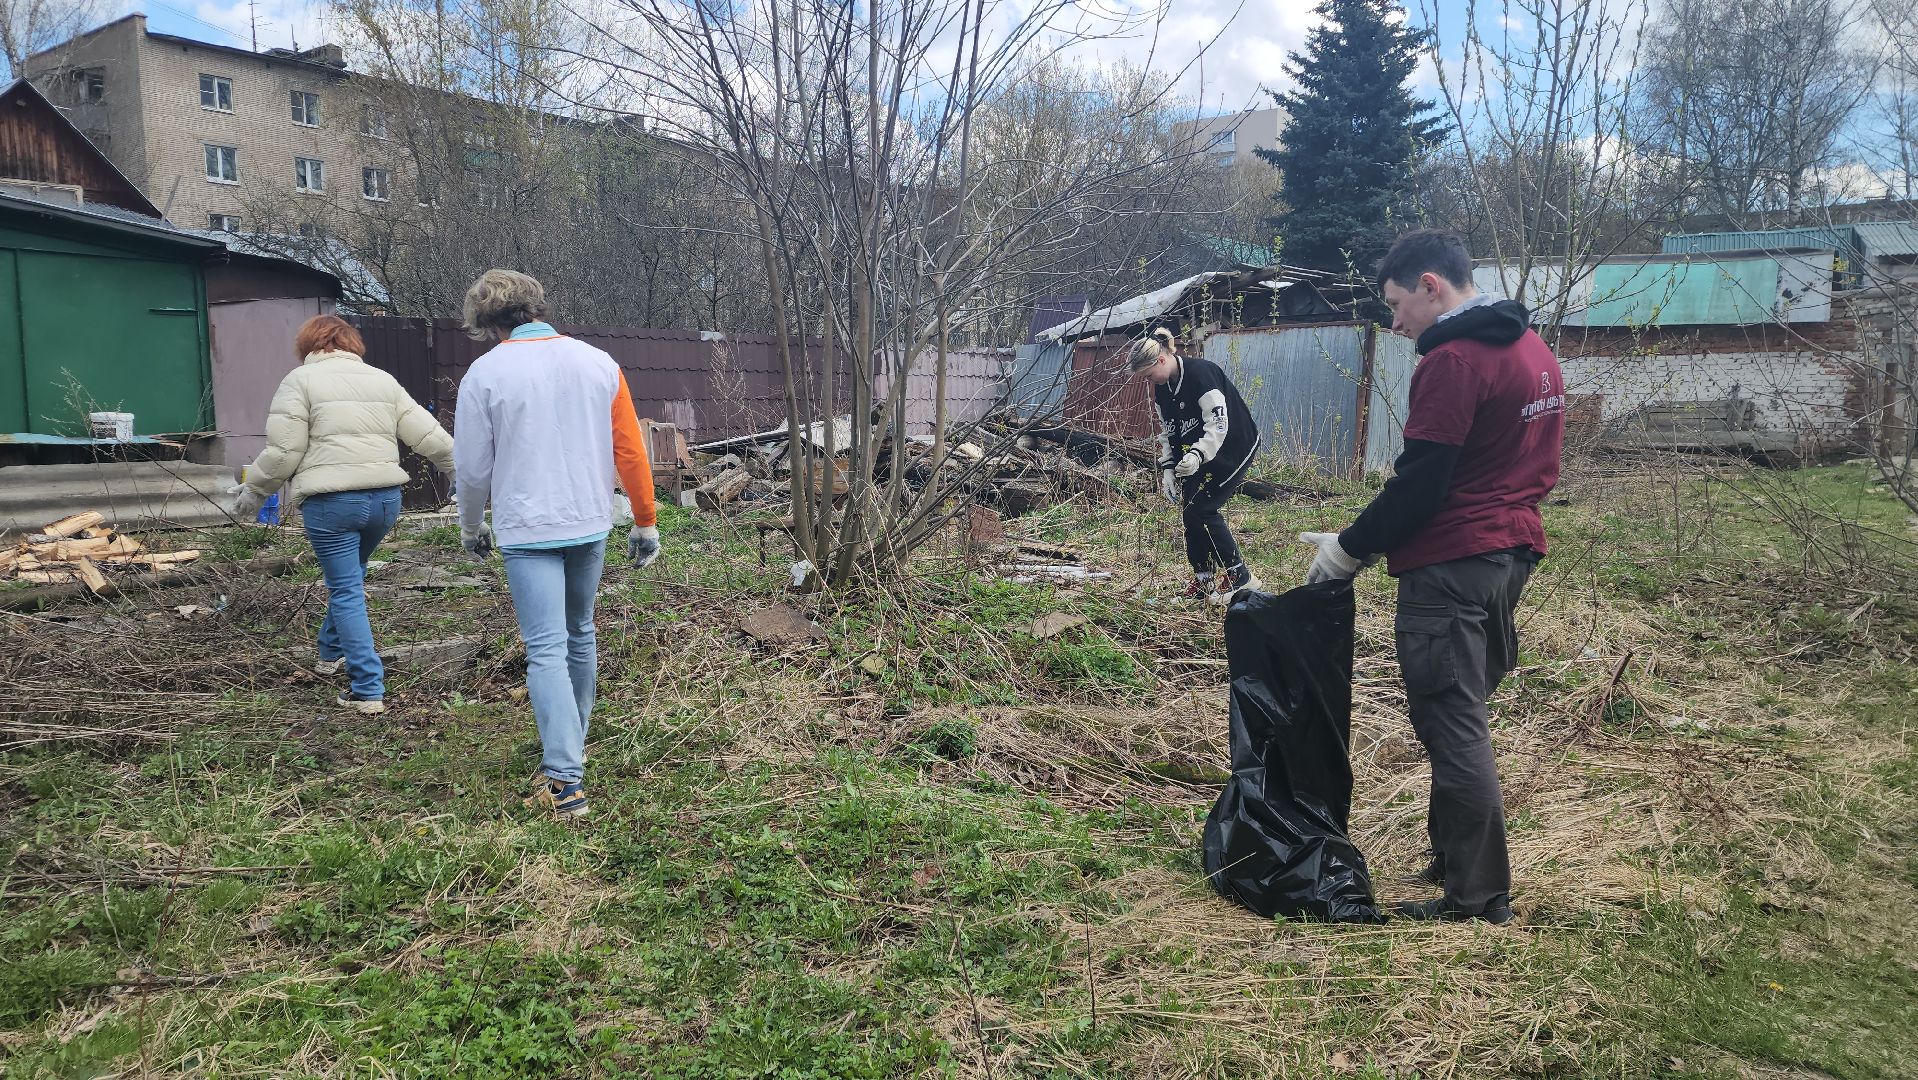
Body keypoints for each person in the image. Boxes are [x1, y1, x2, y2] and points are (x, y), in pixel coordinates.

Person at [1297, 229, 1565, 924]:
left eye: (1396, 304)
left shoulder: (1454, 360)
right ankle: (1451, 856)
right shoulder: (1531, 349)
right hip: (1509, 554)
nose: (1394, 323)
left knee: (1451, 719)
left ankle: (1478, 898)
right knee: (1461, 707)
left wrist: (1349, 548)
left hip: (1453, 563)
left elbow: (1421, 485)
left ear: (1430, 286)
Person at [453, 269, 659, 820]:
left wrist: (471, 526)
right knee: (579, 632)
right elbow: (631, 450)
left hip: (527, 528)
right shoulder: (598, 363)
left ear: (486, 321)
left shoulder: (485, 373)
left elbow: (471, 468)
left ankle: (565, 781)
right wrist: (645, 520)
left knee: (545, 648)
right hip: (588, 521)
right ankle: (571, 742)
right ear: (535, 306)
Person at [233, 314, 455, 716]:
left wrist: (256, 489)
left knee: (346, 589)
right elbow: (429, 436)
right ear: (353, 344)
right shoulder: (382, 380)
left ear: (308, 346)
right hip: (385, 502)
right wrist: (460, 472)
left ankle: (367, 688)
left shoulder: (299, 381)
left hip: (332, 503)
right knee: (352, 576)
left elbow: (284, 451)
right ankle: (329, 652)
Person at [1131, 327, 1263, 606]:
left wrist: (1198, 454)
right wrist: (1168, 468)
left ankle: (1240, 575)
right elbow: (1168, 431)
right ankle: (1203, 581)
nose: (1149, 381)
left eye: (1148, 375)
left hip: (1233, 446)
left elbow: (1219, 423)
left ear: (1161, 360)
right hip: (1198, 454)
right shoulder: (1163, 390)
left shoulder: (1202, 374)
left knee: (1203, 509)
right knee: (1190, 513)